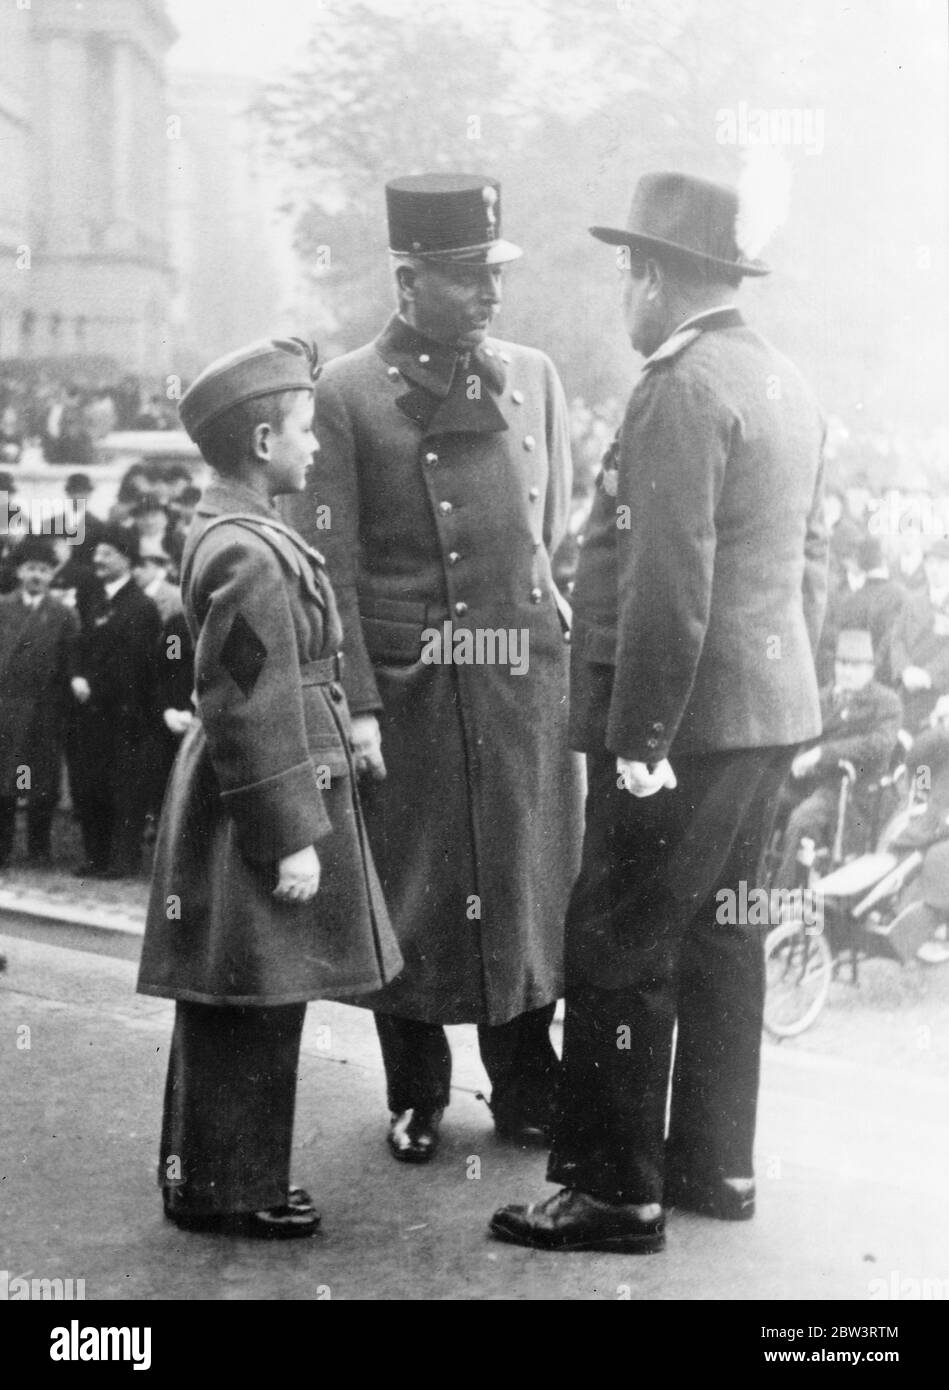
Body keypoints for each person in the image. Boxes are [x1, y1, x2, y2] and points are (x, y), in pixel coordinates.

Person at [491, 171, 828, 1253]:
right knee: (725, 937)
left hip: (680, 729)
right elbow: (799, 566)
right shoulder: (783, 381)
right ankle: (712, 1166)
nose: (621, 297)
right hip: (765, 715)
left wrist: (639, 740)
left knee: (617, 941)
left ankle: (609, 1190)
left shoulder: (678, 388)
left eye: (626, 274)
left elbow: (665, 582)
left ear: (656, 276)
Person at [283, 173, 583, 1162]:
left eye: (493, 272)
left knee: (522, 882)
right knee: (411, 889)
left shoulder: (531, 373)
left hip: (516, 684)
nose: (488, 294)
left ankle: (526, 1081)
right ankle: (417, 1091)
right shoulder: (348, 391)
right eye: (464, 277)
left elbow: (551, 529)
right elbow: (329, 562)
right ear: (409, 279)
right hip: (411, 690)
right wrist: (356, 704)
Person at [136, 338, 402, 1237]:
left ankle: (210, 1177)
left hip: (254, 791)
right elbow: (248, 704)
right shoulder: (248, 553)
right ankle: (228, 1187)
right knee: (249, 995)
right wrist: (291, 831)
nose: (315, 447)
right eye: (301, 430)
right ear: (259, 441)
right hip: (256, 800)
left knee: (243, 989)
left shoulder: (243, 534)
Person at [770, 628, 903, 889]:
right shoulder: (820, 698)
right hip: (808, 785)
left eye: (856, 666)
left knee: (802, 821)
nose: (847, 672)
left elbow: (878, 745)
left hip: (851, 791)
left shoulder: (886, 703)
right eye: (842, 664)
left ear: (871, 669)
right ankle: (753, 884)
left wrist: (822, 754)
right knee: (765, 804)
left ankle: (781, 900)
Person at [68, 524, 162, 877]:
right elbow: (78, 644)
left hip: (126, 715)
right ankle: (95, 857)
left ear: (126, 559)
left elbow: (135, 663)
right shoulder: (93, 600)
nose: (98, 559)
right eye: (97, 553)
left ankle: (121, 861)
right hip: (91, 713)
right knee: (91, 785)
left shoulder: (141, 607)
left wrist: (95, 686)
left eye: (107, 553)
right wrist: (77, 676)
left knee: (123, 789)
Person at [0, 535, 79, 867]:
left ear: (51, 575)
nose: (36, 575)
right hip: (6, 705)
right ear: (19, 572)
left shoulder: (64, 613)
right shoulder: (3, 607)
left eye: (44, 570)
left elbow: (71, 660)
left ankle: (38, 847)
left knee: (39, 779)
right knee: (6, 779)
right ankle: (3, 847)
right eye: (31, 568)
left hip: (45, 707)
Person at [885, 536, 949, 733]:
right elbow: (897, 639)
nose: (935, 570)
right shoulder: (912, 601)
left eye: (942, 563)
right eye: (930, 563)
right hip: (908, 688)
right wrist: (904, 670)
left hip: (941, 690)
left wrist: (927, 675)